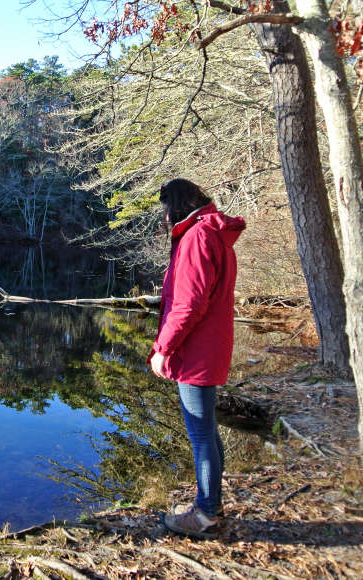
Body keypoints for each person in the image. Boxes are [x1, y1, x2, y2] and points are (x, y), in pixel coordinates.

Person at [149, 178, 246, 539]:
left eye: (165, 208)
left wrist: (163, 349)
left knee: (201, 434)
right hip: (209, 348)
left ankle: (206, 514)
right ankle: (209, 503)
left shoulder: (197, 238)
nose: (163, 216)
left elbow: (189, 305)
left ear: (176, 205)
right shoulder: (213, 233)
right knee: (206, 431)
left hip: (196, 352)